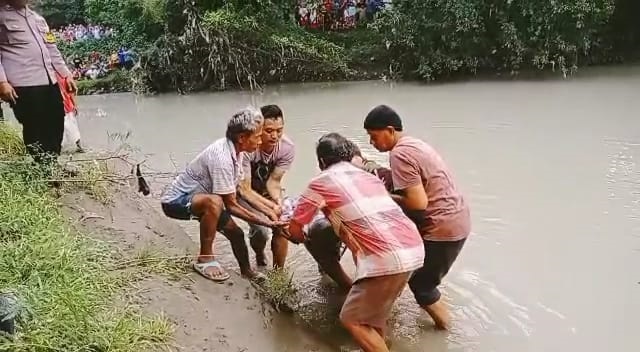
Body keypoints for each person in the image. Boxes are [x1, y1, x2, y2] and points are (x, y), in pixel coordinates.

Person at [285, 133, 425, 352]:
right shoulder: (369, 178)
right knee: (374, 316)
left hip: (386, 257)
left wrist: (298, 237)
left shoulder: (320, 182)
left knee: (352, 319)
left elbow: (295, 227)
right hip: (413, 248)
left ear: (321, 162)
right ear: (351, 156)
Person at [363, 104, 471, 330]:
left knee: (422, 285)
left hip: (442, 227)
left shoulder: (399, 153)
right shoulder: (415, 144)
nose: (372, 142)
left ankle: (446, 331)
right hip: (457, 218)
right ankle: (431, 308)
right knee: (423, 274)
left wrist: (383, 195)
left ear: (390, 130)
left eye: (374, 136)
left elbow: (418, 203)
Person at [160, 107, 286, 282]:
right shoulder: (222, 157)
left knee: (237, 234)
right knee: (214, 202)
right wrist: (268, 222)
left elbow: (242, 190)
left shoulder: (237, 152)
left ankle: (247, 272)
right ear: (242, 138)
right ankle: (205, 258)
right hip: (176, 202)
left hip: (204, 200)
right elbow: (232, 205)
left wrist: (271, 211)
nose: (259, 142)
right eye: (257, 136)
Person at [0, 0, 77, 165]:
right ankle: (43, 165)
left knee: (56, 120)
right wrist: (2, 82)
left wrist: (66, 74)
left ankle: (51, 162)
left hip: (49, 80)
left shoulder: (38, 19)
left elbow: (52, 49)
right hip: (23, 84)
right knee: (34, 125)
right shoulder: (2, 17)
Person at [240, 104, 294, 268]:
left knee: (282, 223)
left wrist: (278, 201)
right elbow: (244, 189)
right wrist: (268, 209)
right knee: (261, 230)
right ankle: (259, 253)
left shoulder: (287, 148)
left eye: (279, 130)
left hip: (265, 189)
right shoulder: (247, 148)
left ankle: (279, 273)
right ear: (258, 128)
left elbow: (274, 181)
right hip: (244, 191)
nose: (275, 136)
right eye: (269, 131)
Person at [55, 72, 84, 153]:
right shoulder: (63, 76)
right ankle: (76, 146)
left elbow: (70, 93)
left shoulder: (65, 76)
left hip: (66, 107)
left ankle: (78, 145)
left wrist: (75, 105)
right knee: (68, 127)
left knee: (70, 126)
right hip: (59, 107)